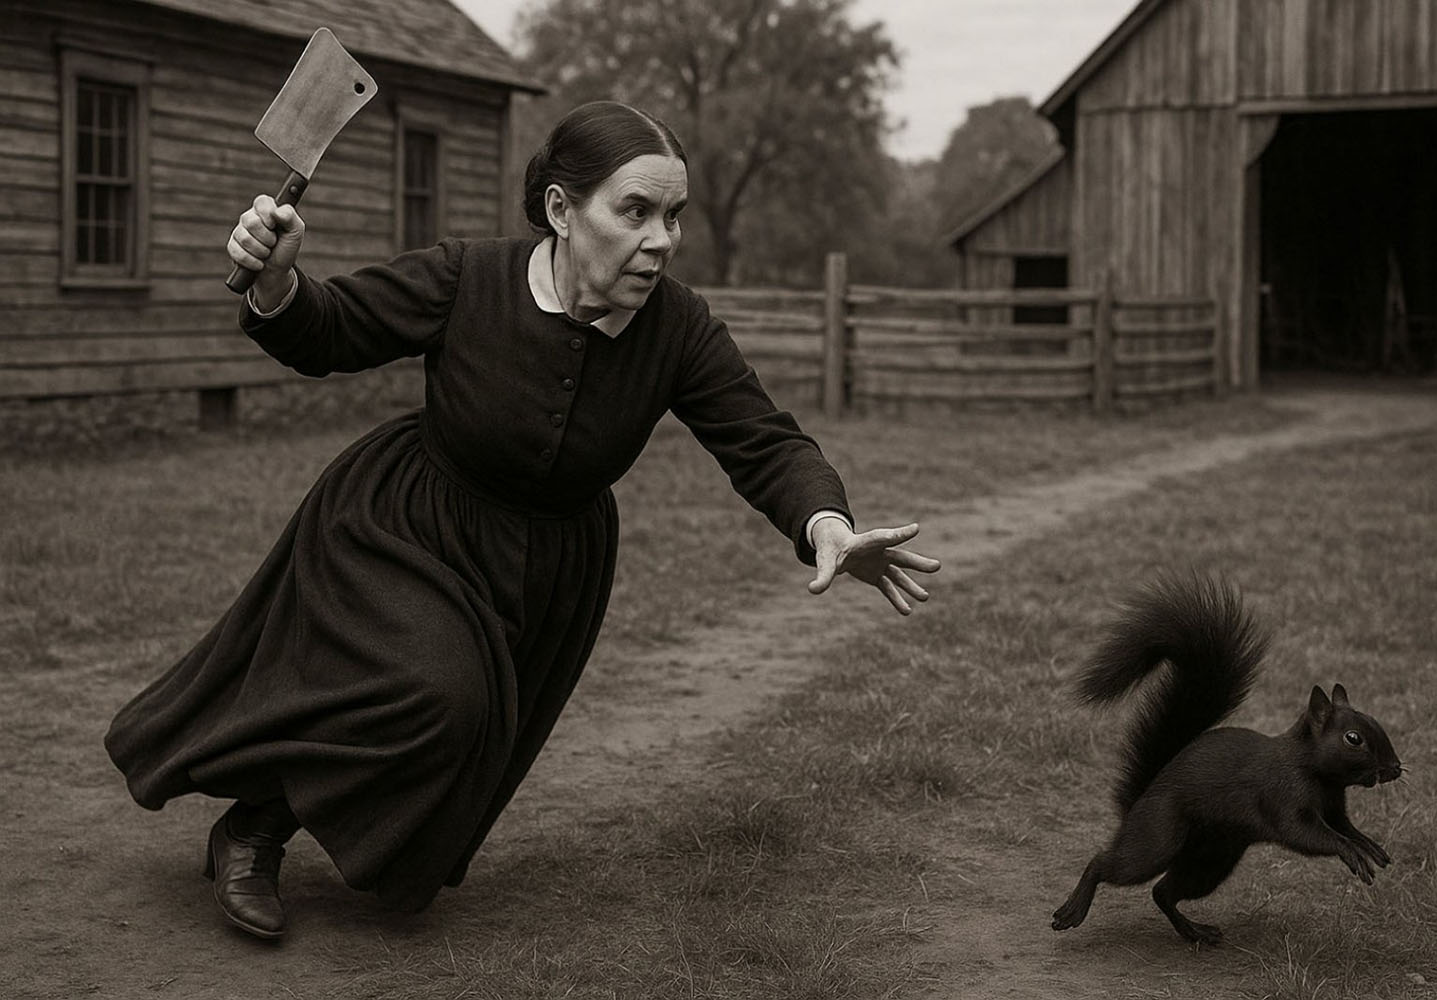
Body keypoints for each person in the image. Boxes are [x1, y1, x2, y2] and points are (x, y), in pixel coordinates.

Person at [104, 100, 941, 940]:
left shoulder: (679, 328)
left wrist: (825, 522)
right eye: (636, 211)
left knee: (450, 725)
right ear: (560, 210)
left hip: (543, 570)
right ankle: (254, 827)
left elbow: (764, 442)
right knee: (439, 690)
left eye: (673, 216)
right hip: (403, 527)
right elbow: (332, 330)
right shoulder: (467, 277)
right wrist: (279, 280)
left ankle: (271, 819)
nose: (662, 239)